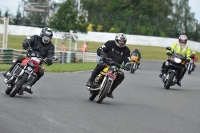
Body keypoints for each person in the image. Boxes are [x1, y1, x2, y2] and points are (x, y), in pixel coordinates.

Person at [3, 27, 55, 94]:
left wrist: (50, 60)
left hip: (39, 61)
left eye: (48, 37)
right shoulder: (35, 38)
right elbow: (29, 40)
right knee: (21, 57)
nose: (46, 38)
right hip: (29, 55)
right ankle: (9, 72)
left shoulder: (51, 46)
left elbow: (51, 54)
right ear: (42, 35)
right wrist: (26, 43)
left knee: (41, 71)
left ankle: (29, 85)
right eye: (45, 36)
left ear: (50, 38)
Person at [86, 33, 131, 98]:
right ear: (116, 40)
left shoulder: (126, 50)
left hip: (116, 67)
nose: (121, 43)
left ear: (125, 42)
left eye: (122, 41)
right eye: (120, 41)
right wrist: (102, 53)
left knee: (121, 75)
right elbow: (100, 49)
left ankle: (110, 90)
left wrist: (128, 65)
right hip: (105, 62)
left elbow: (128, 59)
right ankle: (90, 80)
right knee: (101, 64)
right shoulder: (110, 43)